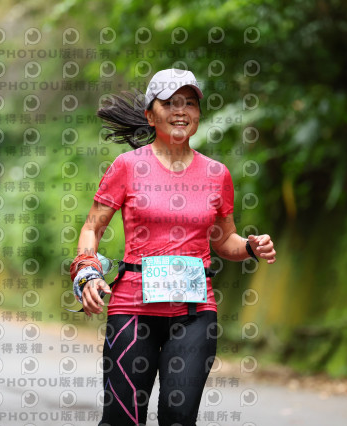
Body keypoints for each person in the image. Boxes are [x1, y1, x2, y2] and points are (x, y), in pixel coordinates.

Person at [70, 69, 276, 426]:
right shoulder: (127, 167)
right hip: (133, 311)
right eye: (169, 103)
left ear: (198, 114)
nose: (181, 111)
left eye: (190, 103)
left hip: (195, 313)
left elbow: (223, 240)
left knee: (179, 416)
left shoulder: (217, 174)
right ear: (150, 116)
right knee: (122, 418)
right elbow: (92, 227)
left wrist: (250, 247)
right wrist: (87, 270)